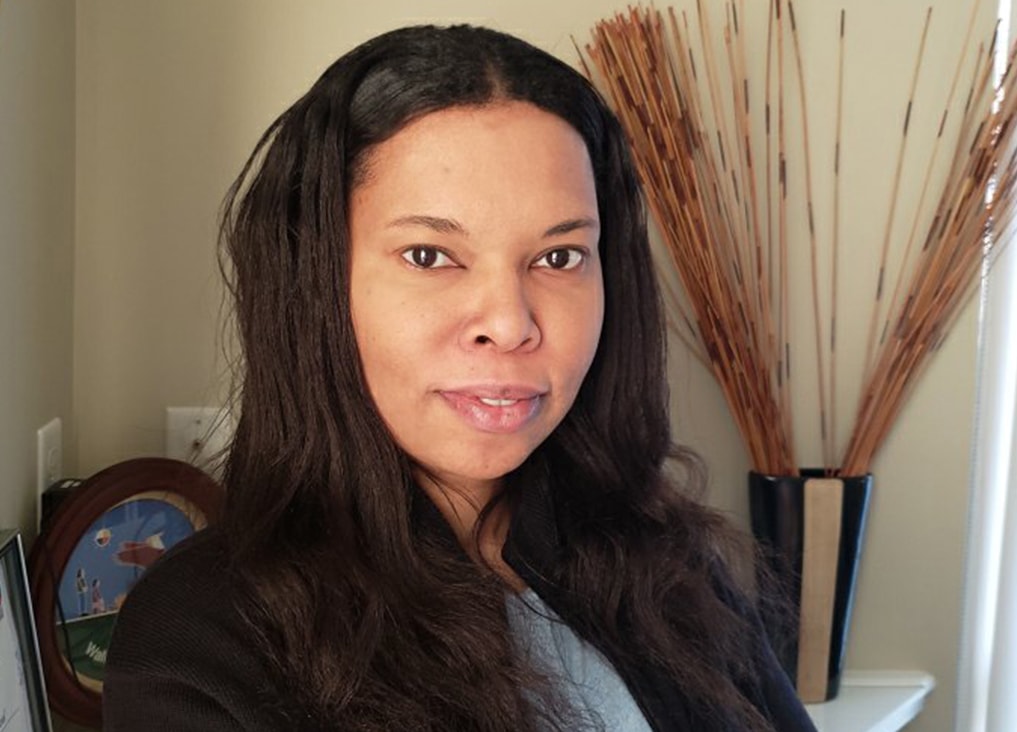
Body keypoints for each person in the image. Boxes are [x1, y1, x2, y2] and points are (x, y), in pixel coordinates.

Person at [103, 24, 817, 732]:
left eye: (560, 257)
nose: (509, 324)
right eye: (428, 255)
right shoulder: (197, 644)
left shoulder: (668, 565)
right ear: (314, 283)